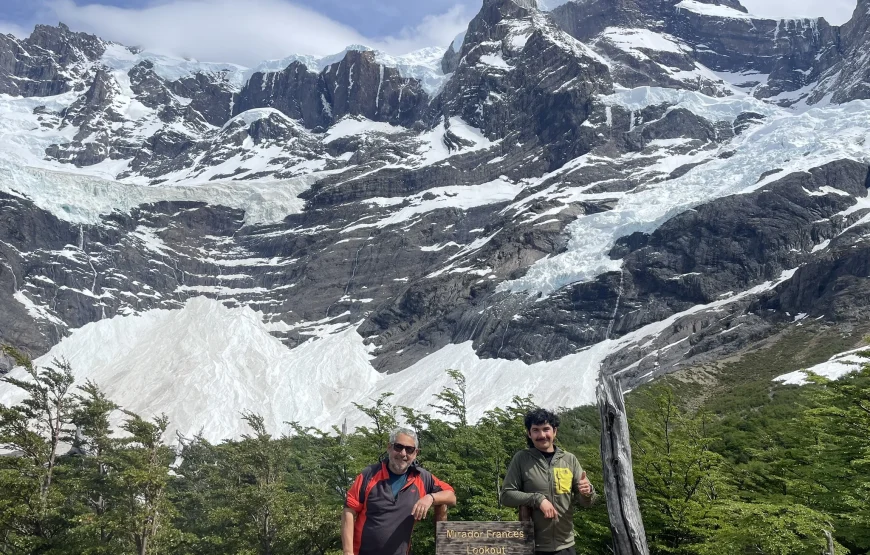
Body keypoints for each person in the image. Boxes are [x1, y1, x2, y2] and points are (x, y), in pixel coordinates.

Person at [342, 427, 457, 555]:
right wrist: (348, 552)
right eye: (398, 447)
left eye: (409, 449)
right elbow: (349, 510)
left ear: (415, 453)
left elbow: (451, 496)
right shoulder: (369, 475)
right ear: (389, 447)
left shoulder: (422, 478)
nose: (403, 453)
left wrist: (430, 497)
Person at [500, 408, 596, 555]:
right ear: (529, 433)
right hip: (533, 547)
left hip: (566, 546)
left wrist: (587, 492)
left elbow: (586, 503)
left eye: (546, 429)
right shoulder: (522, 459)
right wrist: (537, 499)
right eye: (536, 430)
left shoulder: (569, 460)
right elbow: (506, 496)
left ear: (554, 431)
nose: (542, 435)